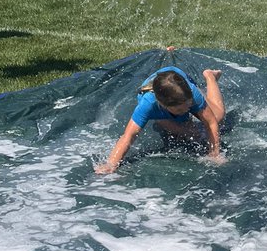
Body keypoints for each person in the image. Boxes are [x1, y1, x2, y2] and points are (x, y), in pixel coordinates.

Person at [96, 63, 225, 172]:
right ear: (163, 106)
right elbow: (128, 136)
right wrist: (111, 164)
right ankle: (167, 121)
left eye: (189, 105)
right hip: (163, 97)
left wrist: (214, 154)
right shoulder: (148, 104)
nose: (187, 110)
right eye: (180, 109)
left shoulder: (191, 92)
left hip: (179, 82)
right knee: (184, 132)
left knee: (218, 117)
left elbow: (211, 123)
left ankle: (210, 76)